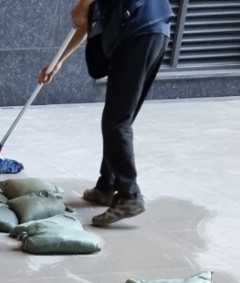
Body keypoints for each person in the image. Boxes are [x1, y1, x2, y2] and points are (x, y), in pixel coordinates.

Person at [38, 0, 172, 226]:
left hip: (138, 31)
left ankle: (130, 196)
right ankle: (106, 187)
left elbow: (82, 14)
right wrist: (58, 61)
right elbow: (84, 24)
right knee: (120, 117)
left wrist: (80, 7)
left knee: (116, 121)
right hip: (153, 31)